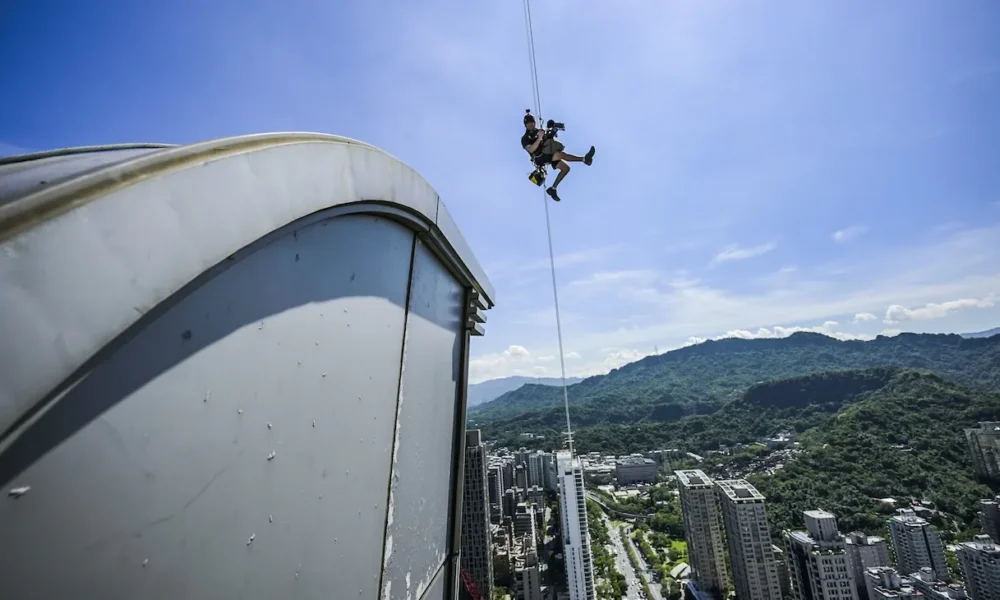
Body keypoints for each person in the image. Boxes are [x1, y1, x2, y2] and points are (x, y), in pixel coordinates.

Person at [521, 110, 595, 201]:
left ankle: (553, 189)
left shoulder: (539, 131)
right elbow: (531, 149)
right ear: (525, 125)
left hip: (547, 154)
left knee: (565, 168)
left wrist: (551, 130)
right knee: (558, 152)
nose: (531, 124)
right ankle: (584, 159)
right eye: (528, 123)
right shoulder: (525, 138)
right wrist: (540, 137)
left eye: (532, 122)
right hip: (539, 157)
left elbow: (545, 137)